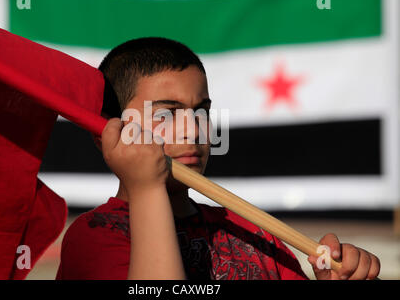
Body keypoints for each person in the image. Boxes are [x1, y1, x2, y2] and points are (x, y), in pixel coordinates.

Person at [56, 37, 380, 280]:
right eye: (166, 114)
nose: (193, 130)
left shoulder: (253, 232)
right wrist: (146, 188)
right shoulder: (94, 237)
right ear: (106, 137)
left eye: (201, 111)